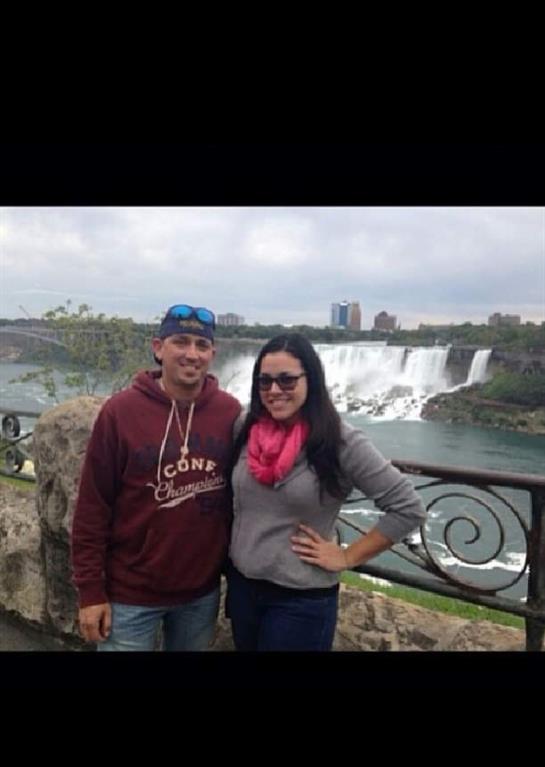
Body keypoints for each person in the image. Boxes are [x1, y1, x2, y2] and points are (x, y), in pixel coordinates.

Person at [226, 332, 426, 651]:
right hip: (243, 590)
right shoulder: (246, 429)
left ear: (311, 380)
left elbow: (408, 508)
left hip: (299, 601)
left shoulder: (339, 442)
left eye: (287, 380)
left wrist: (347, 556)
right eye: (265, 382)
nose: (274, 390)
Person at [71, 304, 241, 651]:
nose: (191, 354)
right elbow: (92, 507)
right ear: (158, 347)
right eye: (180, 342)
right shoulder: (120, 412)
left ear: (212, 353)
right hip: (130, 594)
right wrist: (90, 592)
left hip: (201, 594)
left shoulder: (230, 412)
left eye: (201, 345)